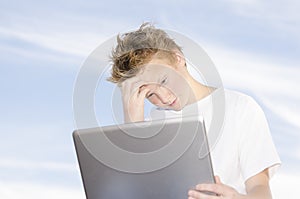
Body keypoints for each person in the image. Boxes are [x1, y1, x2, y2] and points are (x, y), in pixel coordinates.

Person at [108, 23, 281, 199]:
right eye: (150, 94)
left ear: (178, 58)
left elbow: (261, 189)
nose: (164, 98)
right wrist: (132, 123)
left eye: (164, 80)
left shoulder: (239, 107)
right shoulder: (150, 126)